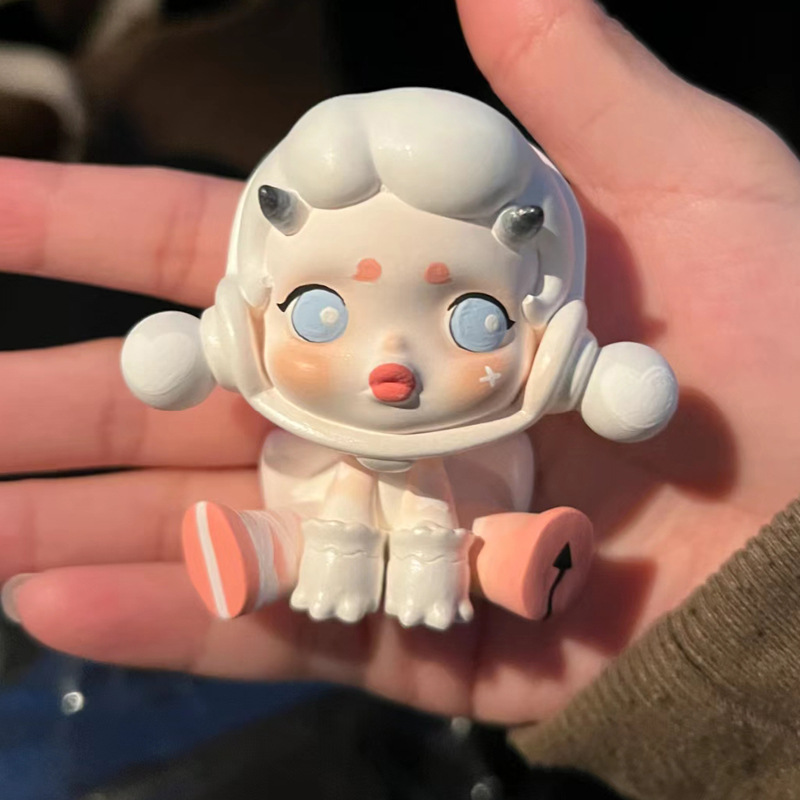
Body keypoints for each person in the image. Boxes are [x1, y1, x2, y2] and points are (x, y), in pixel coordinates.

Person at [1, 1, 798, 797]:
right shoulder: (265, 351)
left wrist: (593, 382)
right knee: (317, 511)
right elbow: (185, 358)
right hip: (317, 472)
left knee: (466, 531)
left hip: (471, 485)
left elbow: (604, 387)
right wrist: (196, 352)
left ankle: (505, 564)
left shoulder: (517, 397)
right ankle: (263, 551)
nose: (394, 368)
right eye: (321, 312)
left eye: (473, 318)